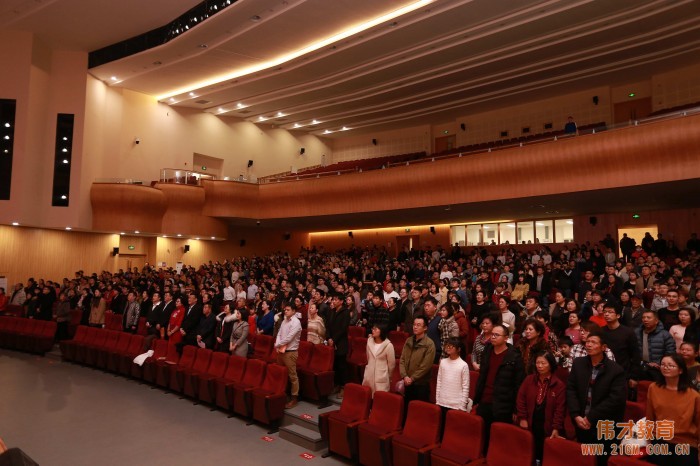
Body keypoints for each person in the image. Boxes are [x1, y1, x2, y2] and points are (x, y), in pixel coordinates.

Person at [566, 331, 627, 465]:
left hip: (603, 425)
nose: (588, 345)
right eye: (587, 342)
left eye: (593, 342)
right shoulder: (579, 363)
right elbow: (571, 389)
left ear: (603, 347)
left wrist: (591, 418)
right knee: (583, 458)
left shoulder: (616, 370)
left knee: (600, 460)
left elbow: (614, 400)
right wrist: (576, 415)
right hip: (581, 421)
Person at [473, 323, 525, 449]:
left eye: (497, 335)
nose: (493, 337)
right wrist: (477, 399)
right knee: (482, 436)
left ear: (506, 338)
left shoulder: (514, 356)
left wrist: (515, 409)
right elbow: (482, 377)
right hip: (485, 400)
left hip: (503, 404)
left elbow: (518, 384)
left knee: (499, 439)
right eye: (492, 334)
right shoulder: (488, 350)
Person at [645, 353, 700, 466]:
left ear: (680, 370)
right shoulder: (654, 388)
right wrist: (649, 437)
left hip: (685, 441)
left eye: (671, 365)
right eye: (663, 365)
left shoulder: (693, 395)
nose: (666, 367)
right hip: (660, 438)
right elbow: (650, 416)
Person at [516, 351, 566, 463]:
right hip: (529, 421)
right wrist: (522, 417)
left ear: (551, 364)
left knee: (544, 453)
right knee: (528, 450)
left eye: (543, 363)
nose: (540, 366)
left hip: (546, 424)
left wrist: (556, 427)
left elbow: (560, 409)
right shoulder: (529, 379)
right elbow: (520, 399)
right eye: (538, 363)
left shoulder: (559, 385)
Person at [399, 316, 436, 409]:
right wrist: (405, 376)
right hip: (407, 382)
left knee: (419, 411)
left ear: (425, 328)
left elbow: (426, 366)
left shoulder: (429, 344)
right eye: (414, 325)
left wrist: (412, 378)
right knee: (406, 409)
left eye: (418, 325)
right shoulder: (409, 340)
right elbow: (402, 359)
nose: (415, 327)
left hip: (420, 384)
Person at [436, 338, 471, 433]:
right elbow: (439, 381)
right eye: (447, 345)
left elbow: (466, 386)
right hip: (442, 402)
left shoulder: (463, 365)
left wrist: (462, 406)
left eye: (451, 346)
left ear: (459, 349)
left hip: (456, 404)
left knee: (453, 431)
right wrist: (438, 399)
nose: (448, 347)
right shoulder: (443, 362)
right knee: (442, 429)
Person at [636, 310, 676, 382]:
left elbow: (670, 352)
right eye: (643, 317)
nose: (645, 320)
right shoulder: (637, 332)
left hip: (657, 369)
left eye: (648, 317)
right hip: (640, 367)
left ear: (656, 321)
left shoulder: (665, 334)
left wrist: (659, 363)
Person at [275, 304, 302, 408]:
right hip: (281, 350)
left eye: (288, 310)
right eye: (285, 309)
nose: (285, 311)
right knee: (281, 373)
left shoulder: (296, 322)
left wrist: (278, 344)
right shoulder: (284, 320)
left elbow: (289, 338)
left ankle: (294, 398)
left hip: (291, 352)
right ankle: (283, 395)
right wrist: (277, 344)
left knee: (292, 376)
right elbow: (279, 334)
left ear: (294, 311)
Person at [326, 292, 350, 397]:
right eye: (333, 299)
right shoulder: (331, 311)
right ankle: (336, 385)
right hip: (332, 341)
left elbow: (343, 329)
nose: (333, 301)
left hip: (341, 342)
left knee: (342, 366)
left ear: (341, 301)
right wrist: (329, 338)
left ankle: (343, 387)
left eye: (336, 300)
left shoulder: (345, 312)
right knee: (334, 365)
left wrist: (334, 339)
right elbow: (327, 326)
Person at [362, 325, 395, 395]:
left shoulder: (389, 345)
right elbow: (368, 357)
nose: (373, 330)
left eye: (375, 329)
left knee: (379, 399)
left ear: (382, 331)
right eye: (372, 328)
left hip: (381, 377)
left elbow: (391, 365)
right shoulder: (369, 341)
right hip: (369, 375)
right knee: (367, 397)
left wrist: (388, 377)